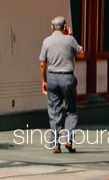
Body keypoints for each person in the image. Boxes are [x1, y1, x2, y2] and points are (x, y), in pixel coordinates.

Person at [39, 15, 84, 153]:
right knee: (71, 110)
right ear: (65, 27)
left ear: (51, 27)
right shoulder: (70, 40)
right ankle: (69, 140)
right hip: (68, 78)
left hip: (52, 78)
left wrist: (44, 80)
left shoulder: (46, 41)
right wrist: (71, 36)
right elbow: (81, 54)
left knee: (54, 112)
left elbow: (42, 63)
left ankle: (55, 145)